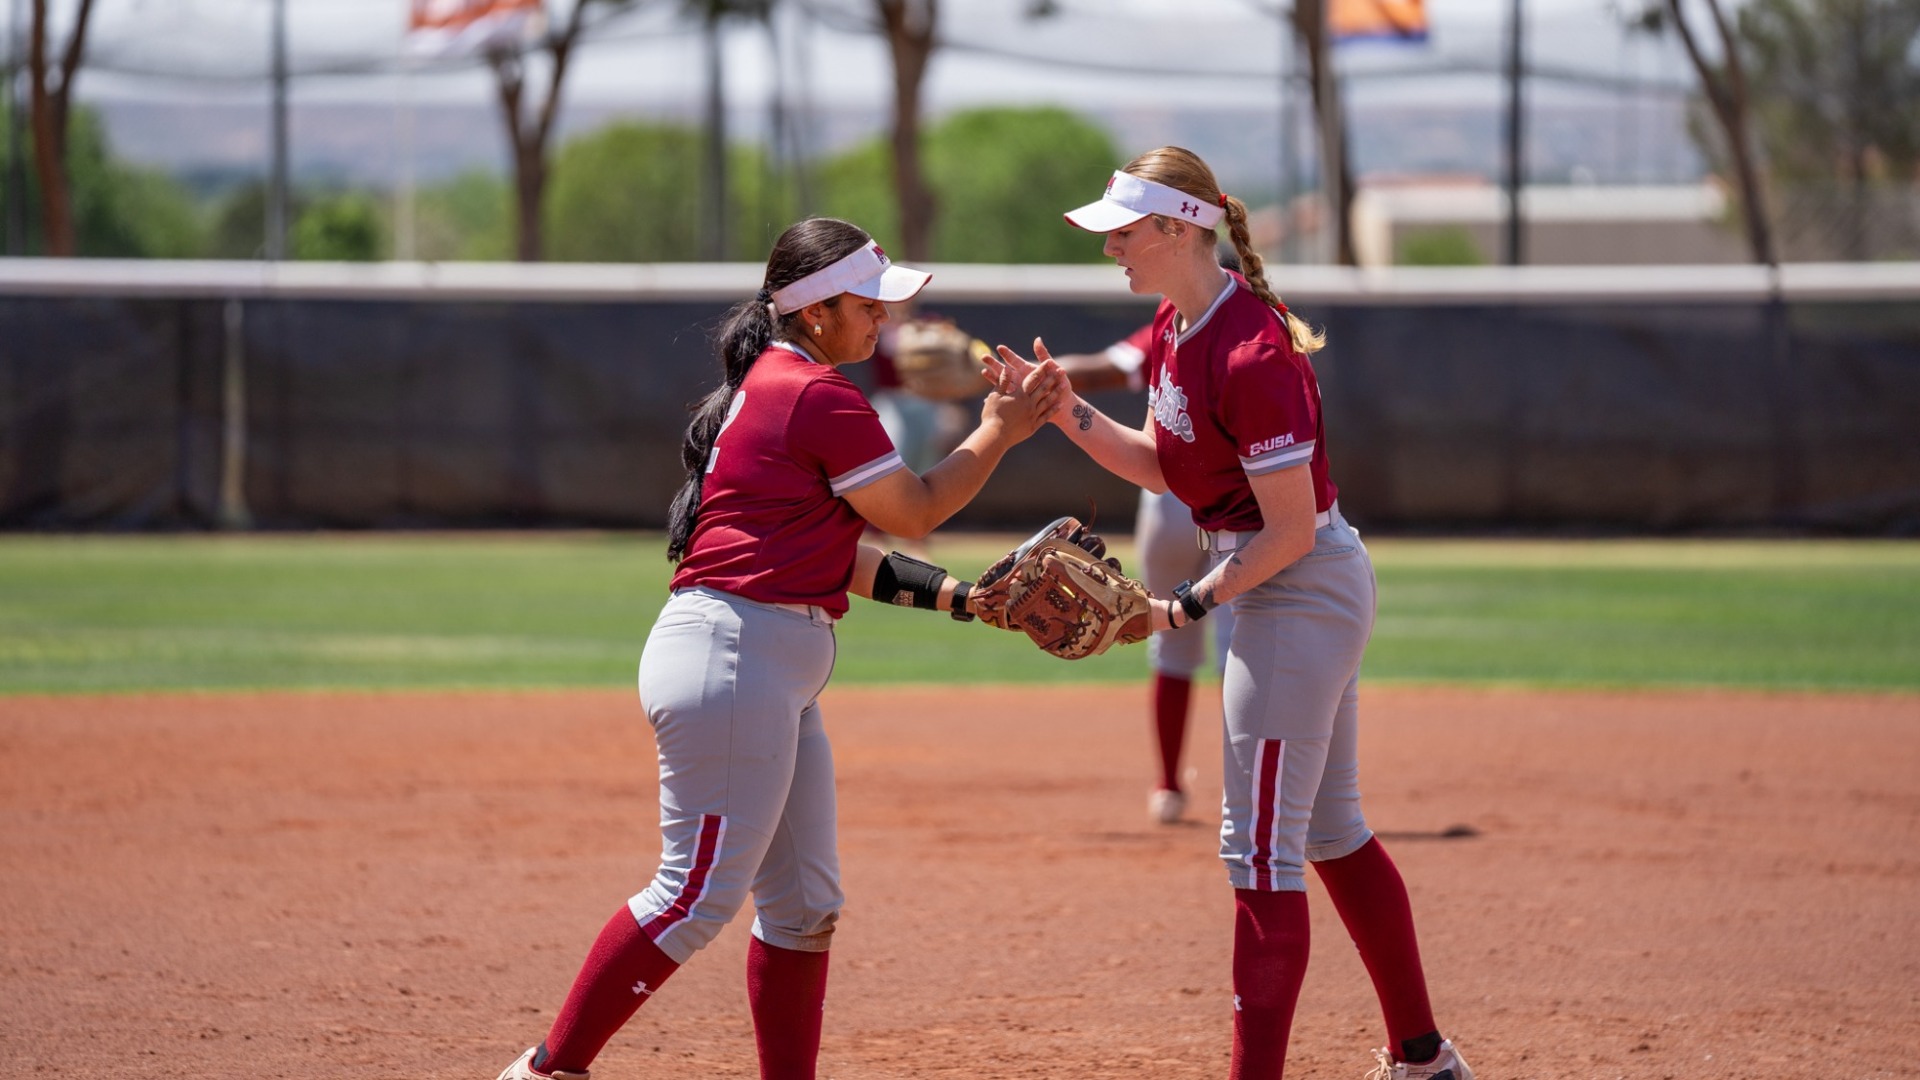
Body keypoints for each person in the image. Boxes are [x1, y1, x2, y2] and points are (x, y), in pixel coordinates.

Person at [495, 217, 1062, 1080]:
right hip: (735, 660)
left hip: (756, 661)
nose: (881, 318)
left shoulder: (775, 385)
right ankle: (544, 1073)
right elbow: (911, 508)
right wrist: (999, 432)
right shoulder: (815, 395)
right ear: (817, 308)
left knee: (802, 907)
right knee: (691, 896)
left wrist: (958, 597)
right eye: (868, 302)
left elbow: (830, 553)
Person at [999, 148, 1475, 1080]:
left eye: (1125, 234)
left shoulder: (1254, 348)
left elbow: (1290, 530)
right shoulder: (1181, 324)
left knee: (1257, 850)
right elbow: (1165, 468)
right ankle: (1424, 1059)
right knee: (1330, 832)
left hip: (1294, 587)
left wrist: (1180, 608)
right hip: (1278, 586)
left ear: (1180, 229)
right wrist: (1065, 412)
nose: (1114, 253)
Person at [1049, 280, 1238, 827]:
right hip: (1232, 503)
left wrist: (1039, 376)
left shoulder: (1171, 324)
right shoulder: (1253, 331)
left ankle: (1168, 786)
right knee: (1240, 651)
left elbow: (1106, 368)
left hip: (1168, 502)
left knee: (1170, 643)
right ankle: (1243, 791)